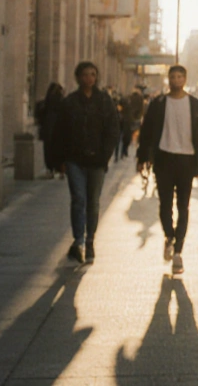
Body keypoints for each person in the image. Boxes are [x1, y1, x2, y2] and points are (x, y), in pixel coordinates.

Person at [137, 65, 198, 275]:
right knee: (164, 205)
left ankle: (178, 251)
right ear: (168, 79)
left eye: (180, 77)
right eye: (173, 77)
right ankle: (169, 236)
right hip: (164, 158)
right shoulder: (159, 103)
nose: (176, 80)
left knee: (183, 206)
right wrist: (142, 157)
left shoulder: (195, 104)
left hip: (187, 160)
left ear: (185, 79)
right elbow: (146, 131)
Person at [55, 63, 120, 263]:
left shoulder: (104, 101)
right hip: (75, 159)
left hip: (97, 161)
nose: (89, 78)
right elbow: (60, 132)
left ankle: (90, 239)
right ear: (78, 77)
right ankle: (78, 241)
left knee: (93, 202)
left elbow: (113, 129)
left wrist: (105, 155)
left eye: (93, 74)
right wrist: (60, 159)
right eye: (85, 75)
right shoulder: (70, 102)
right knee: (78, 199)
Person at [35, 82, 66, 178]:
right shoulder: (63, 104)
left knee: (49, 151)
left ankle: (51, 170)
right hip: (58, 132)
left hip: (49, 132)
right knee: (59, 151)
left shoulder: (45, 104)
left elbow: (39, 118)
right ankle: (61, 171)